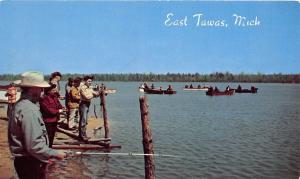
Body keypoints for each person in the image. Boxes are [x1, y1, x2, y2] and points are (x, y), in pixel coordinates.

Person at [8, 71, 66, 179]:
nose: (42, 91)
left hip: (26, 161)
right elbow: (34, 145)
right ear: (33, 88)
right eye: (41, 88)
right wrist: (55, 154)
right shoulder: (29, 109)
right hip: (30, 162)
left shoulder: (21, 104)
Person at [79, 75, 99, 141]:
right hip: (83, 104)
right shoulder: (82, 87)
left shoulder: (90, 87)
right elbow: (86, 97)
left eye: (91, 81)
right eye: (89, 81)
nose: (90, 82)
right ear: (85, 81)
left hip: (88, 104)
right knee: (83, 120)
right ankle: (83, 136)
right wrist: (93, 95)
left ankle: (82, 135)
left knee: (85, 120)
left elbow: (95, 94)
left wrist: (100, 93)